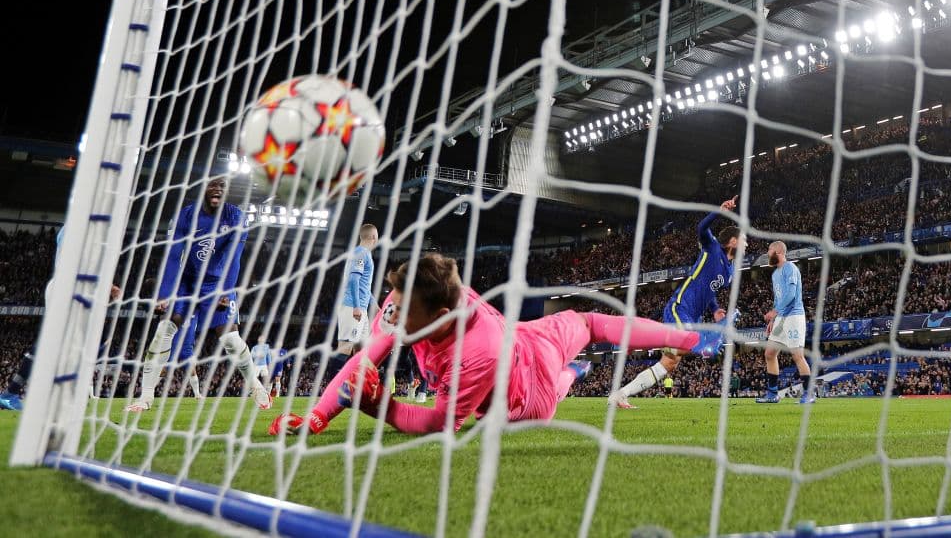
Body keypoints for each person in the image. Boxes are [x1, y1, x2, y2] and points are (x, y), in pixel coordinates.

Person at [269, 253, 725, 436]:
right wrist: (320, 413)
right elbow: (366, 359)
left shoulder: (475, 352)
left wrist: (380, 407)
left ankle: (576, 373)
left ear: (441, 317)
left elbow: (438, 424)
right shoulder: (409, 301)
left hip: (532, 385)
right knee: (584, 326)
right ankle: (580, 368)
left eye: (399, 311)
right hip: (523, 335)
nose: (389, 317)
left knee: (587, 329)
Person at [126, 177, 270, 412]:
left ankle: (255, 386)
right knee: (164, 329)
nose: (218, 190)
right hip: (186, 282)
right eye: (213, 186)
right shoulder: (186, 216)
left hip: (216, 283)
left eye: (223, 187)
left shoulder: (236, 218)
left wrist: (225, 291)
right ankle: (145, 397)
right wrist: (164, 294)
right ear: (203, 190)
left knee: (231, 340)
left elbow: (234, 258)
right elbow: (173, 256)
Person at [608, 196, 743, 409]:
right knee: (687, 345)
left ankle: (621, 394)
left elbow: (709, 290)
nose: (746, 243)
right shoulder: (713, 248)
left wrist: (716, 309)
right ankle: (702, 342)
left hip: (694, 316)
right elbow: (701, 228)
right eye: (743, 239)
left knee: (670, 362)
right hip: (681, 307)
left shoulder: (730, 271)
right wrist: (719, 211)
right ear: (733, 241)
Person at [0, 226, 121, 411]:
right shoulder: (82, 226)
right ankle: (19, 392)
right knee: (94, 338)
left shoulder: (82, 225)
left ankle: (17, 392)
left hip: (69, 288)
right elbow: (76, 264)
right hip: (68, 288)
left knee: (62, 342)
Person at [756, 241, 813, 404]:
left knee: (797, 356)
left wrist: (775, 311)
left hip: (794, 317)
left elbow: (791, 295)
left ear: (779, 252)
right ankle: (773, 394)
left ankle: (809, 394)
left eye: (770, 250)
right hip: (780, 317)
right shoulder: (775, 274)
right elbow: (778, 299)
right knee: (769, 353)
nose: (768, 253)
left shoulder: (790, 268)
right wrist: (773, 319)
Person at [326, 224, 378, 377]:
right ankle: (330, 392)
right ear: (373, 237)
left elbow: (364, 285)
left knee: (363, 350)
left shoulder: (362, 254)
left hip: (361, 308)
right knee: (345, 347)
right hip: (352, 307)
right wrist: (356, 306)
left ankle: (357, 389)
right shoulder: (361, 254)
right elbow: (354, 280)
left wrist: (373, 304)